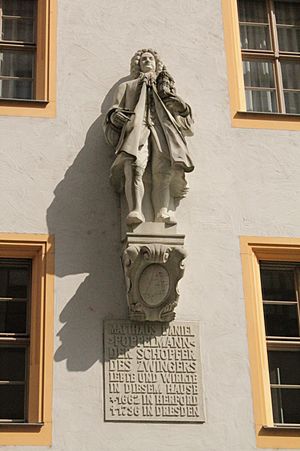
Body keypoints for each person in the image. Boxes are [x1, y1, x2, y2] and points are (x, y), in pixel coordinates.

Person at [104, 48, 194, 226]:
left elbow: (185, 118)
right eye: (143, 59)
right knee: (135, 166)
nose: (146, 61)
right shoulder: (126, 87)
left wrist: (181, 106)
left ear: (156, 63)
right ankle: (135, 209)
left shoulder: (165, 88)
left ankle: (162, 211)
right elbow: (114, 108)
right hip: (138, 129)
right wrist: (114, 116)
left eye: (150, 58)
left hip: (162, 130)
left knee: (164, 170)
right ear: (137, 65)